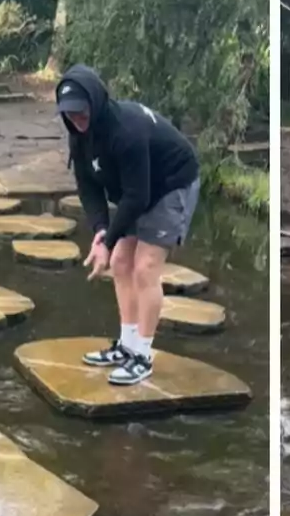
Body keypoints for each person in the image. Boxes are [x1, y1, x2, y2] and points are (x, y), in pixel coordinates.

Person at [55, 64, 201, 386]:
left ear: (95, 102)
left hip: (171, 183)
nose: (76, 120)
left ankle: (143, 356)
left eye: (81, 112)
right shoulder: (79, 136)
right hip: (138, 190)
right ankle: (126, 345)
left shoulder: (126, 131)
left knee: (145, 268)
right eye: (69, 115)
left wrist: (107, 242)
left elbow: (138, 196)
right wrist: (100, 232)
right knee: (121, 262)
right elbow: (88, 186)